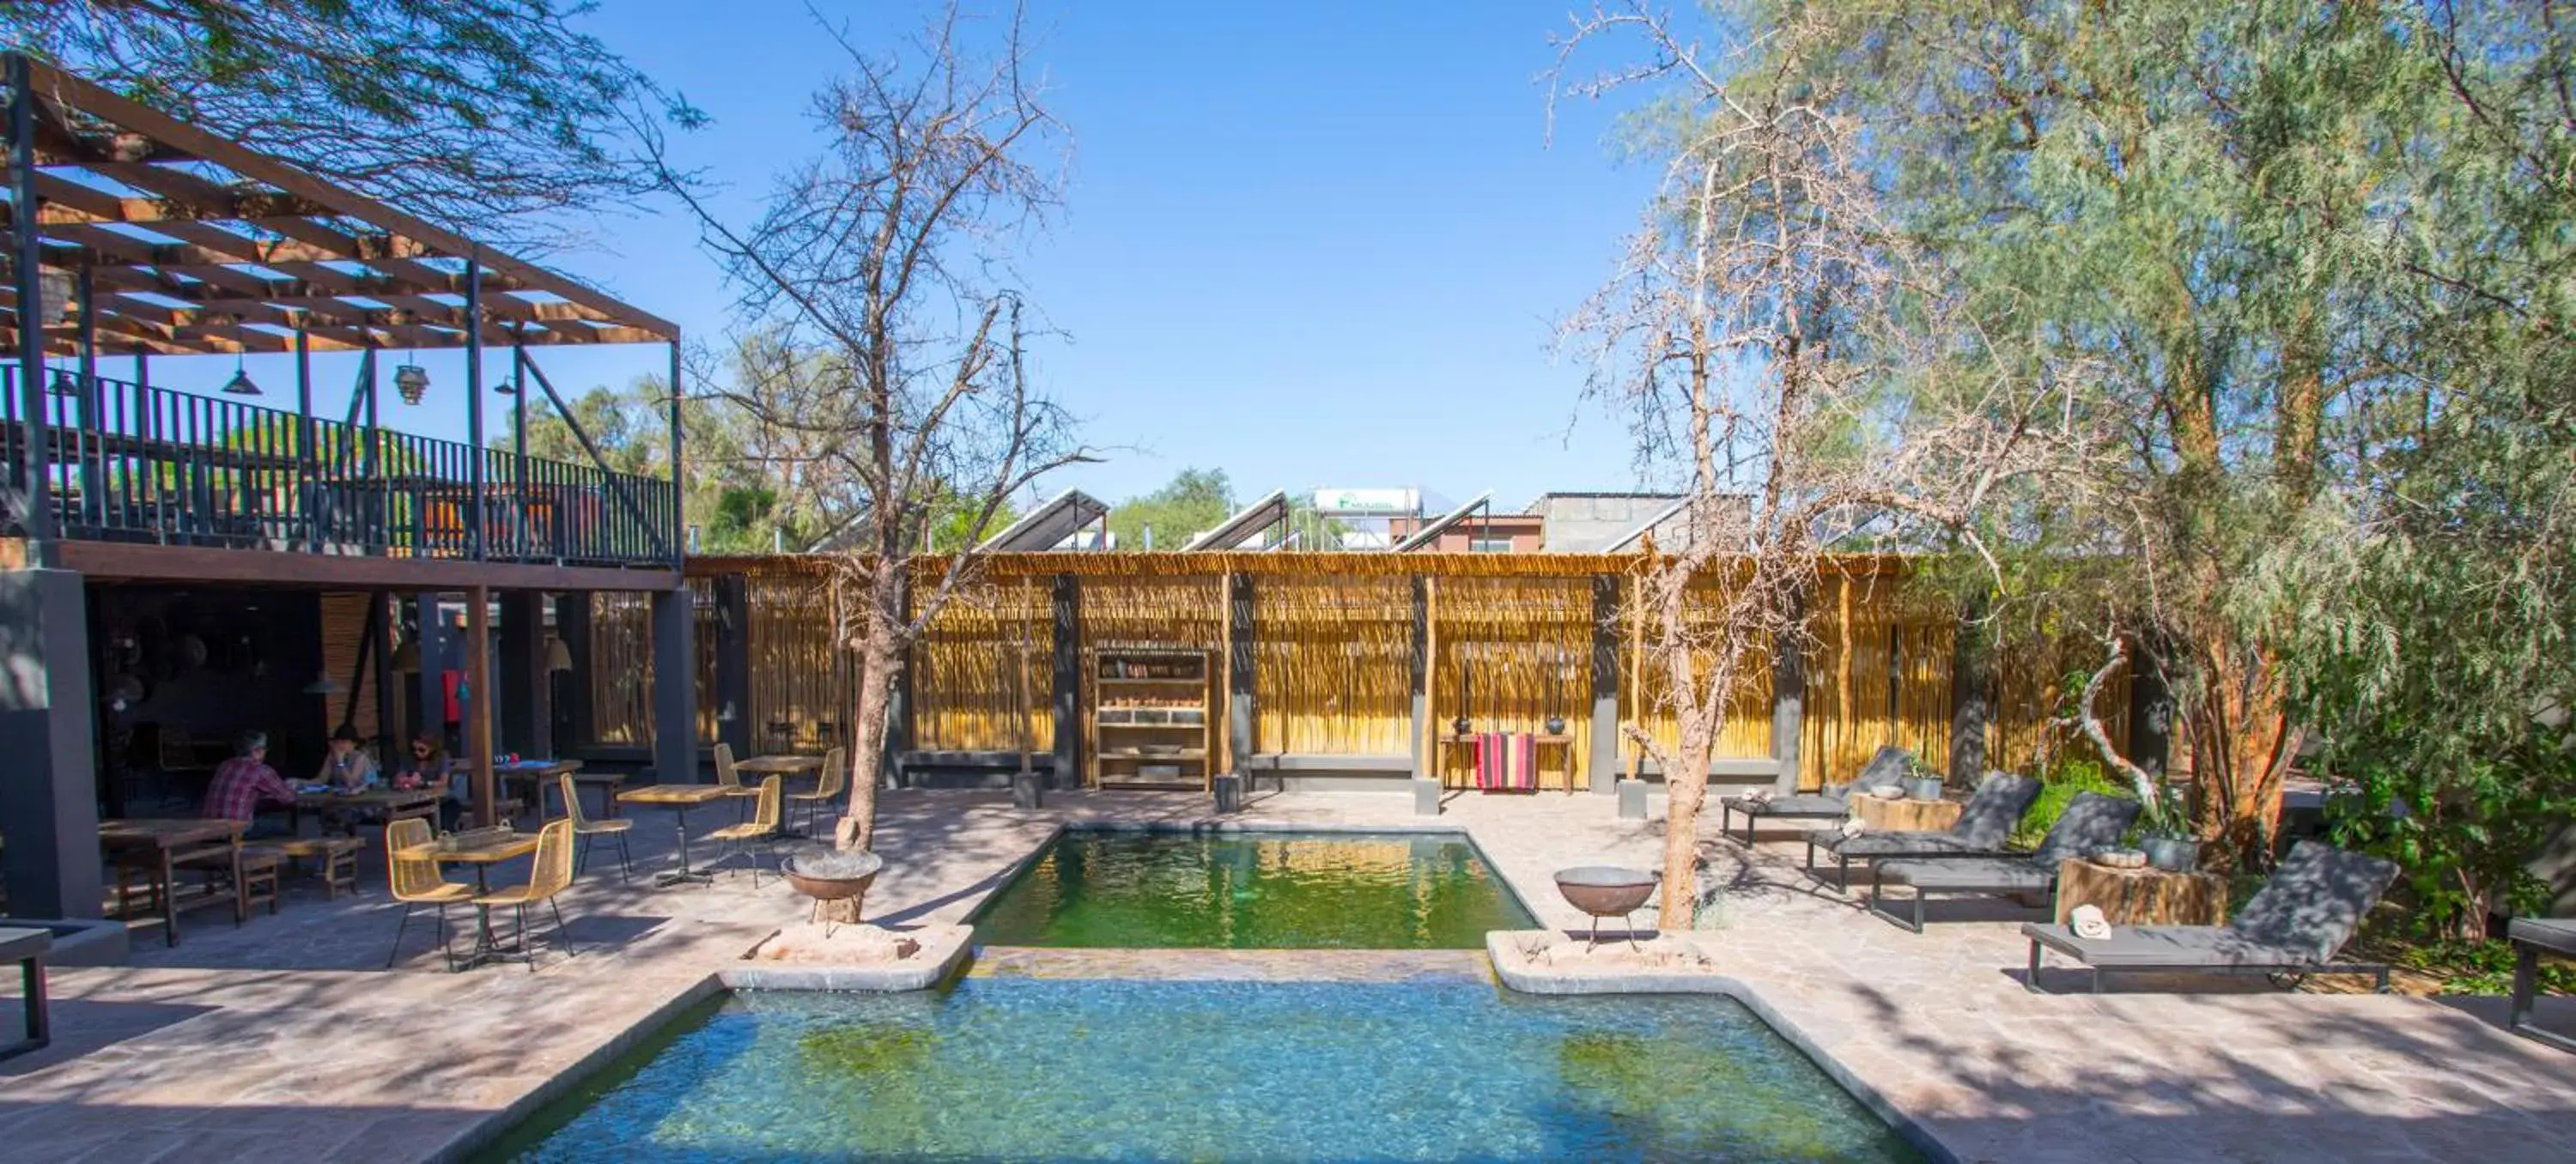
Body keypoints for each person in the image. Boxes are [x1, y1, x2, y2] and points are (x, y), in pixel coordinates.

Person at [202, 730, 296, 838]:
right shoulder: (260, 770)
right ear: (257, 751)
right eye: (264, 749)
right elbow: (289, 798)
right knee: (286, 826)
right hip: (235, 832)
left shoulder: (225, 765)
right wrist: (291, 786)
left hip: (210, 829)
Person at [317, 725, 380, 791]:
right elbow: (322, 779)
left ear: (354, 744)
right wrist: (306, 783)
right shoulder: (332, 756)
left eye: (343, 742)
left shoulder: (360, 758)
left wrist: (340, 762)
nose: (340, 745)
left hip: (362, 796)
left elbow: (351, 783)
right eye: (337, 742)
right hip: (338, 795)